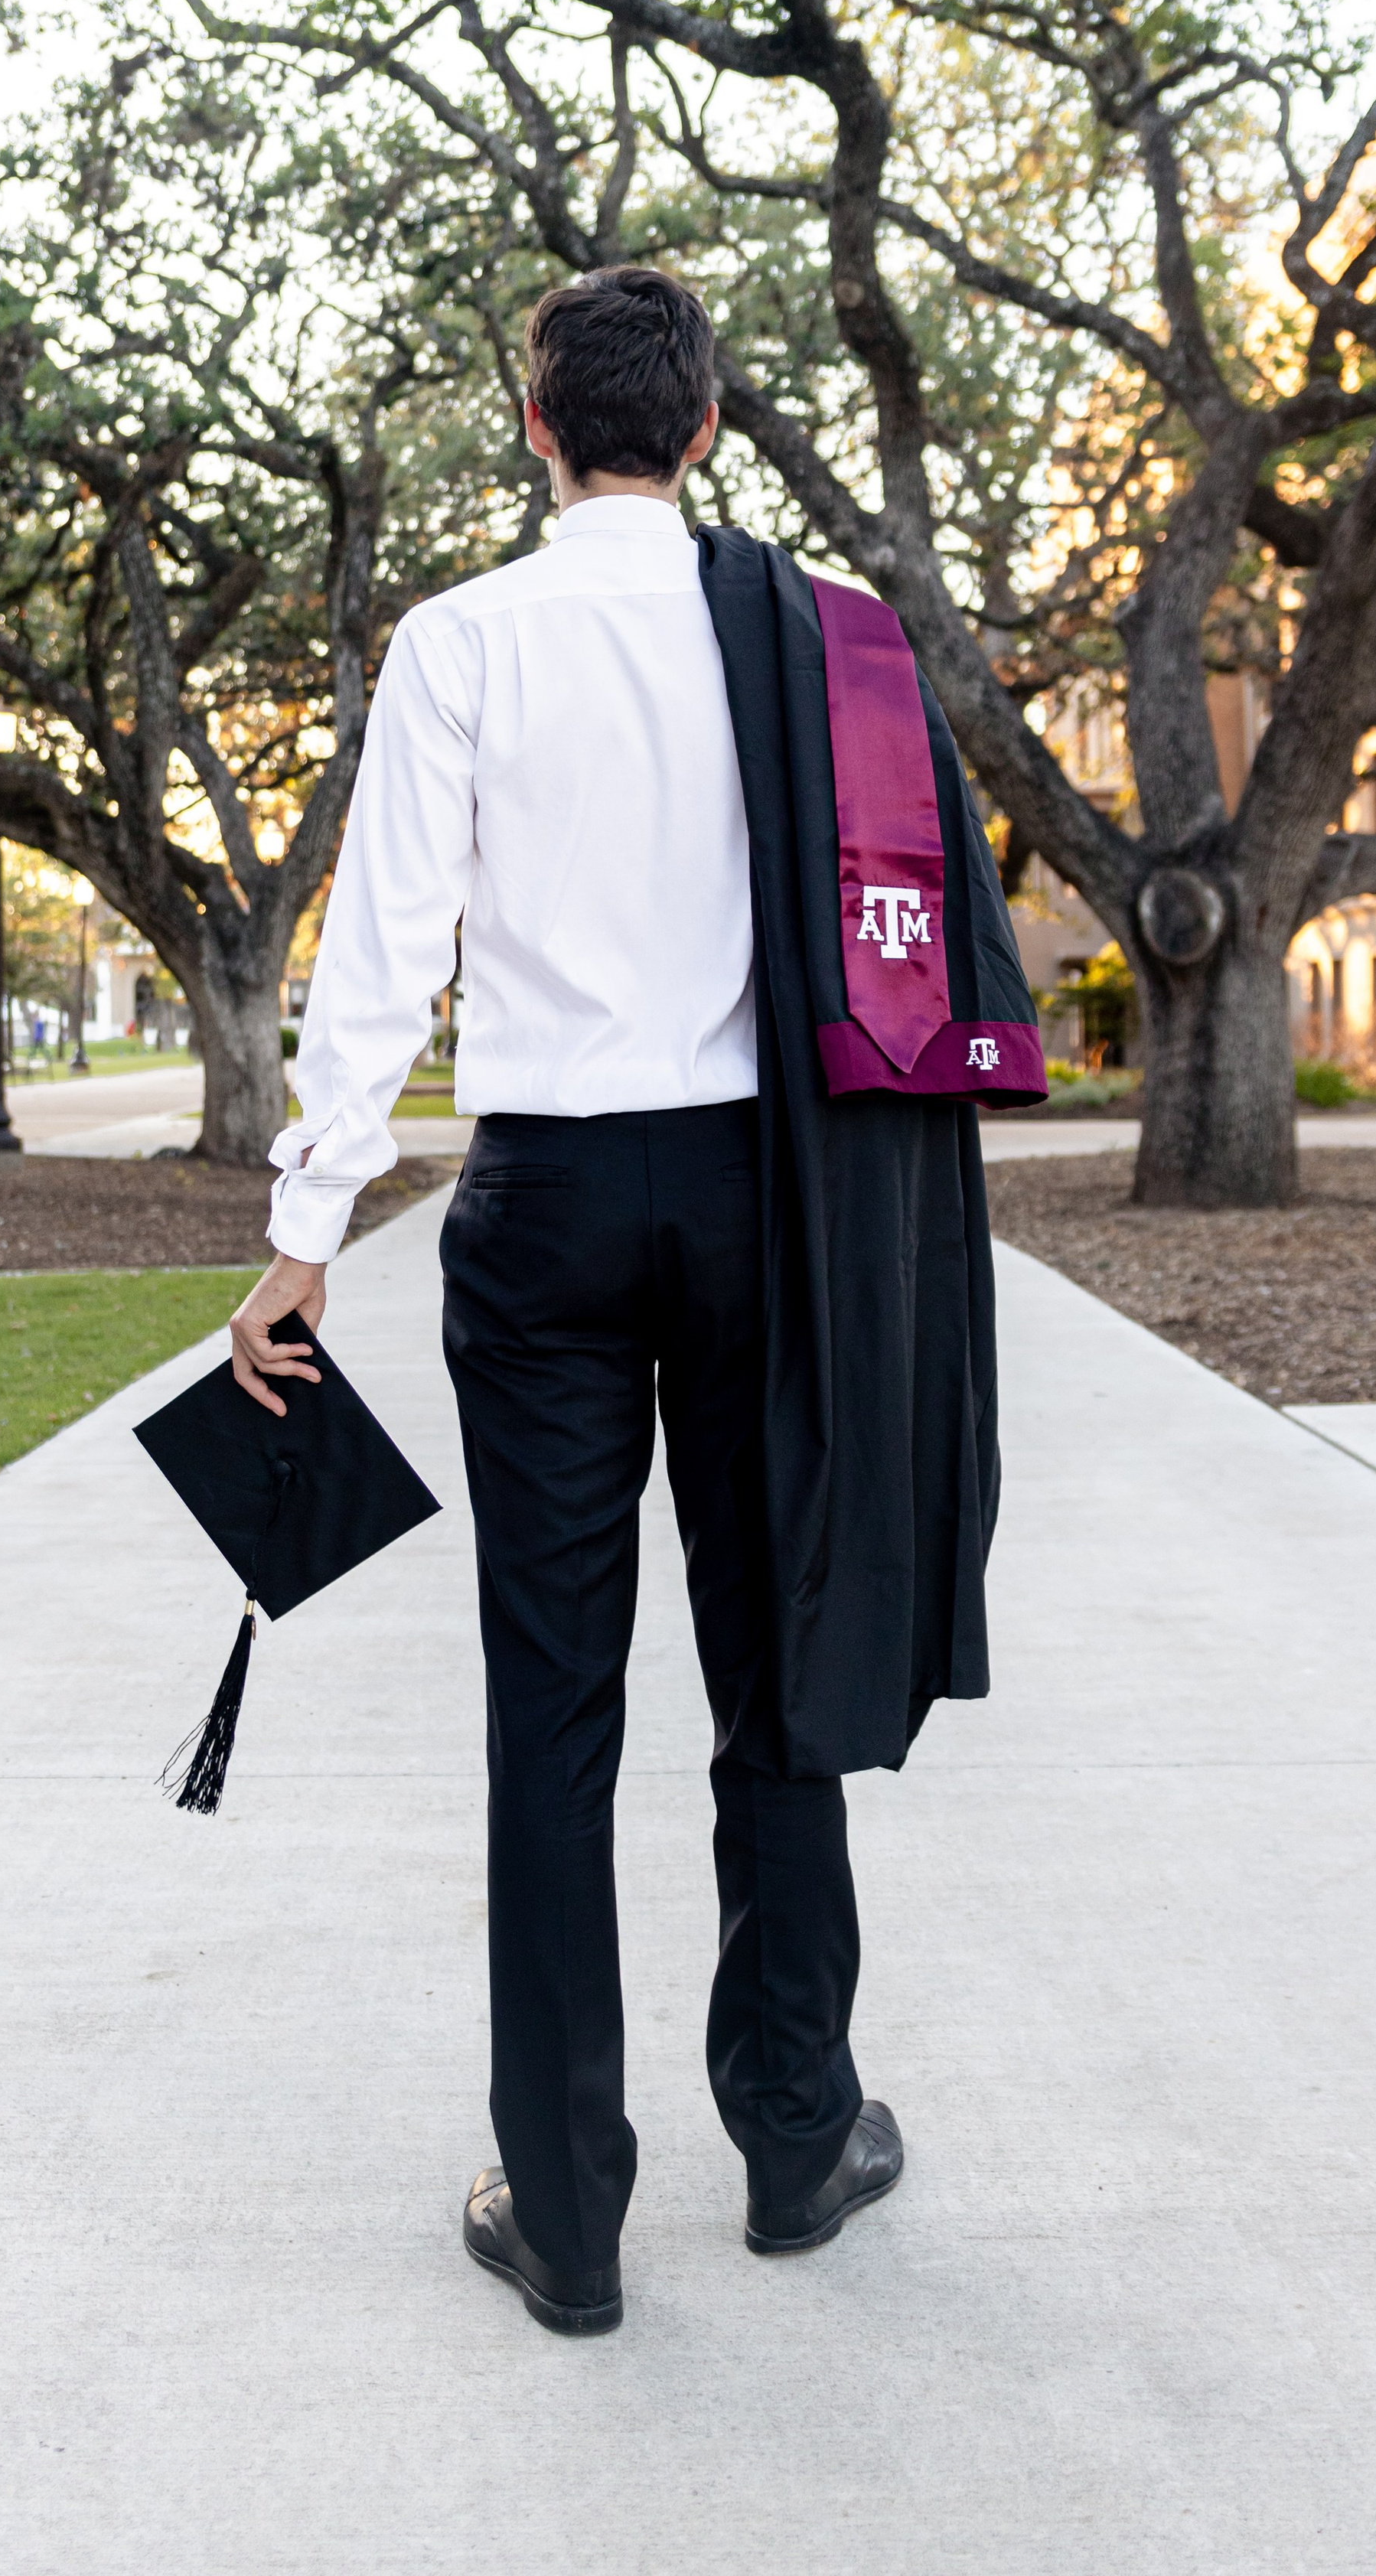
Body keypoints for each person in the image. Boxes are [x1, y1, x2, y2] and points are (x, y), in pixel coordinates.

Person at [227, 267, 1014, 2339]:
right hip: (769, 1208)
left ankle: (566, 2218)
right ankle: (795, 2135)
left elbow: (382, 958)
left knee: (551, 1709)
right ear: (715, 422)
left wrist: (306, 1231)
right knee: (775, 1678)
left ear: (534, 420)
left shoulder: (462, 642)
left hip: (548, 1203)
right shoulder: (825, 641)